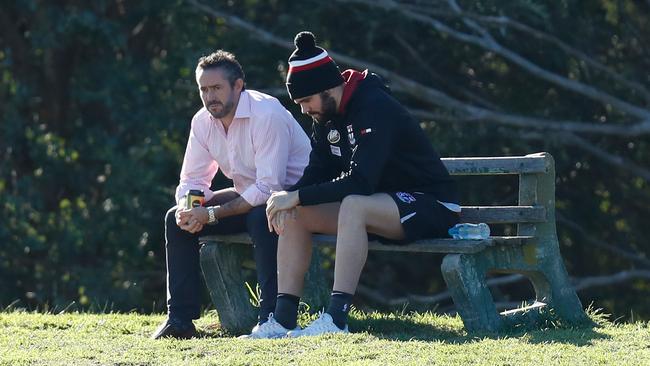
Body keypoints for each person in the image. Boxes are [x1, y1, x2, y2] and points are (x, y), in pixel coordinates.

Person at [255, 31, 461, 338]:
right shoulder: (326, 116)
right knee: (296, 213)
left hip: (430, 205)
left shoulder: (373, 105)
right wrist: (291, 197)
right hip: (380, 206)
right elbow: (319, 169)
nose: (303, 109)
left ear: (326, 88)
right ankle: (283, 319)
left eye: (306, 100)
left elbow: (361, 182)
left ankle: (336, 320)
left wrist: (296, 194)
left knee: (353, 203)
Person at [151, 50, 311, 339]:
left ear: (238, 86)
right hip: (252, 198)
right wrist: (191, 209)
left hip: (297, 202)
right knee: (175, 219)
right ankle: (180, 320)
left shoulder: (267, 114)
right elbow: (192, 179)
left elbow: (269, 188)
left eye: (216, 88)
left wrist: (210, 213)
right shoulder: (202, 121)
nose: (209, 96)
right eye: (203, 89)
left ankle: (272, 318)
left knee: (261, 216)